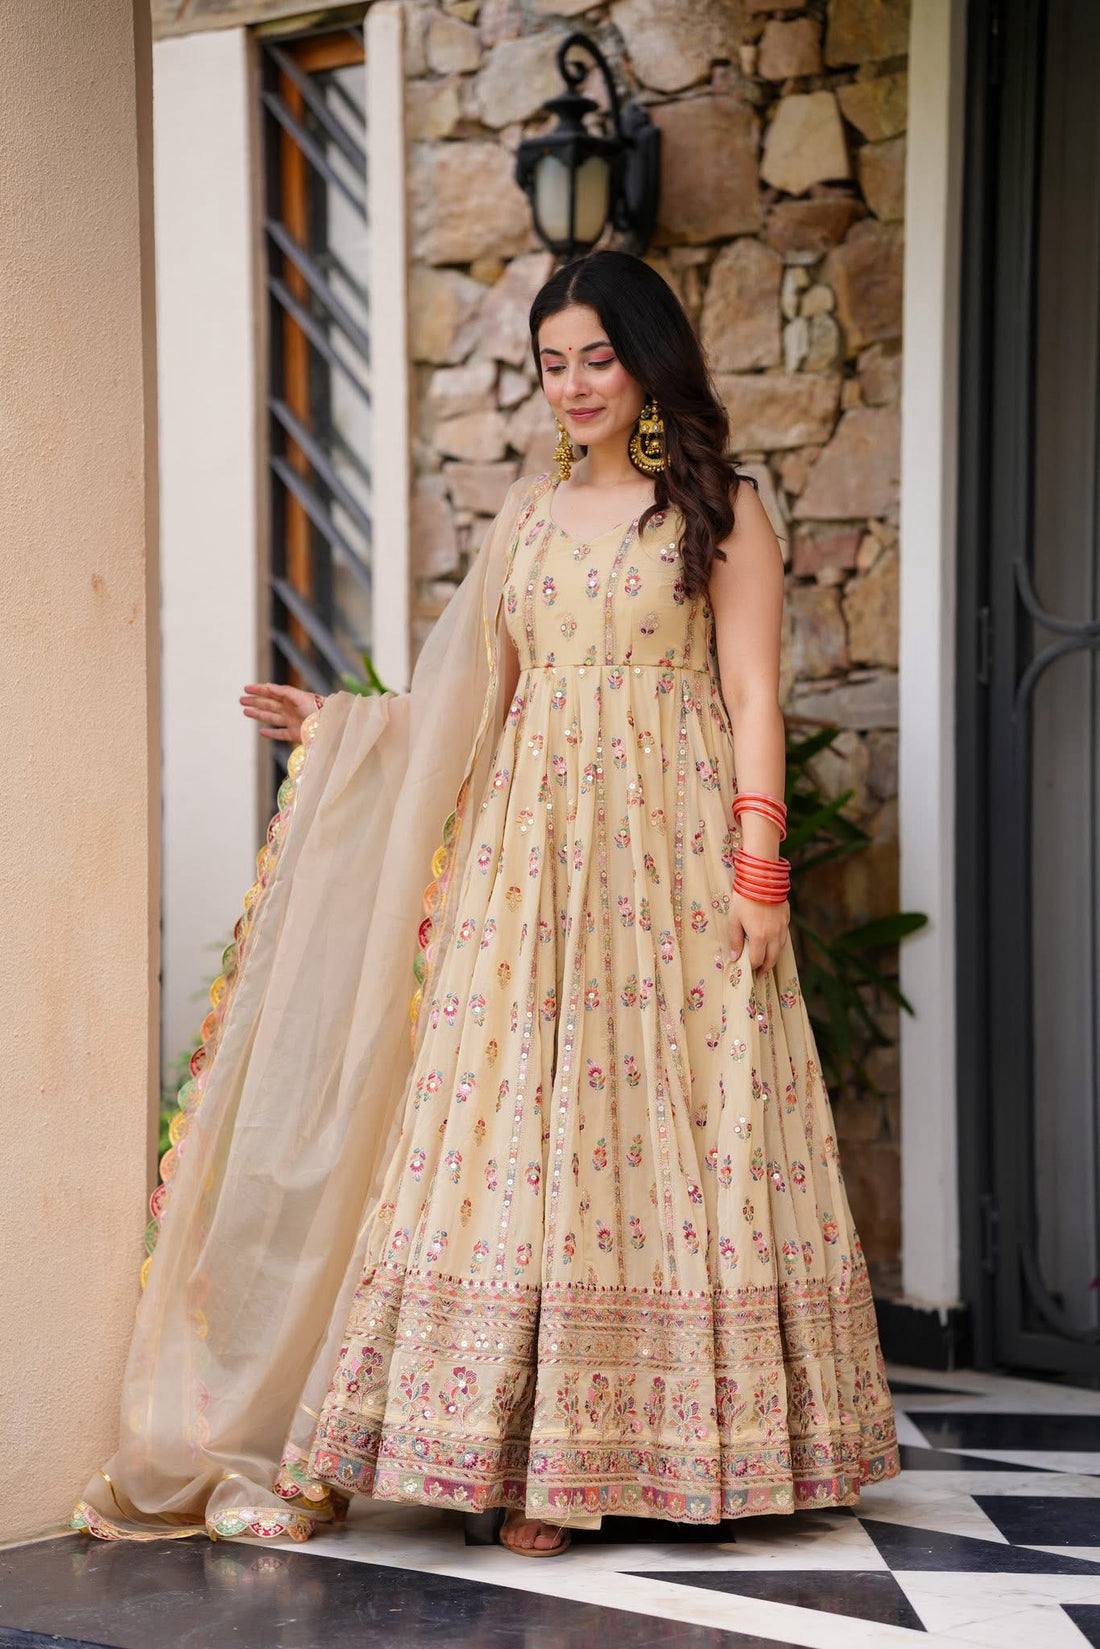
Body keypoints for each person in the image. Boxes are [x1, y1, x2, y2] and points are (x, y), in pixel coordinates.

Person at [73, 250, 899, 1560]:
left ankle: (683, 1449)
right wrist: (345, 724)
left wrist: (757, 869)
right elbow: (477, 704)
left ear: (648, 363)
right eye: (552, 363)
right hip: (528, 877)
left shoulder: (720, 510)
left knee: (675, 1133)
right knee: (524, 1139)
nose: (573, 385)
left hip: (673, 863)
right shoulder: (526, 518)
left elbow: (752, 695)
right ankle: (525, 1457)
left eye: (596, 358)